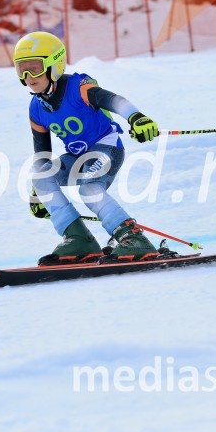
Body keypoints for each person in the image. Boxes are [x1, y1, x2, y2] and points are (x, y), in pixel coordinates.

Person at [15, 30, 161, 264]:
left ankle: (134, 239)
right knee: (41, 176)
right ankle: (79, 239)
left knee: (89, 188)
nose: (28, 76)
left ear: (54, 64)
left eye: (34, 67)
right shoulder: (36, 107)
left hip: (106, 148)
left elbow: (114, 100)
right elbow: (41, 153)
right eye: (21, 69)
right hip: (78, 156)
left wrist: (137, 117)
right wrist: (38, 193)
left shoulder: (77, 87)